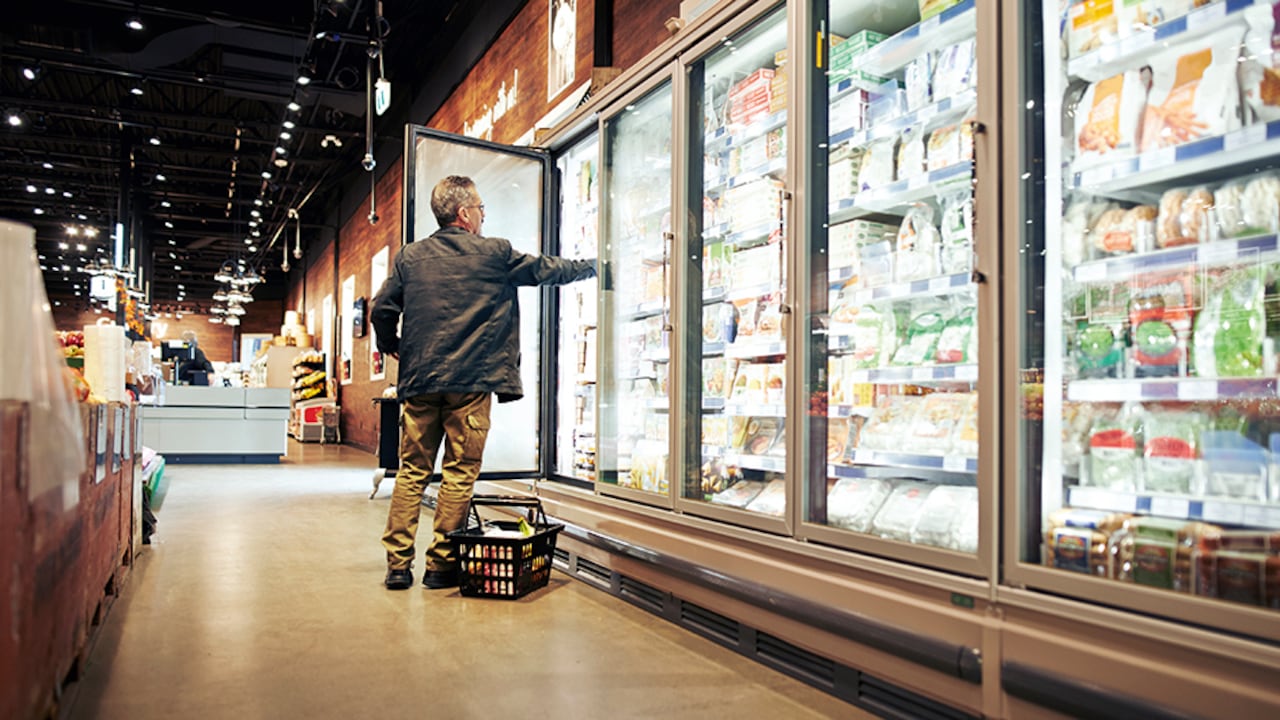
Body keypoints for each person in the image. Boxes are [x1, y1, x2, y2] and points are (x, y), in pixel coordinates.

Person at [371, 175, 596, 590]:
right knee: (459, 473)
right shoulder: (495, 253)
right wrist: (594, 268)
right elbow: (548, 270)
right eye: (480, 208)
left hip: (420, 382)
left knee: (411, 472)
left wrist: (394, 346)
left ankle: (398, 566)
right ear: (464, 214)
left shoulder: (410, 258)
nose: (483, 214)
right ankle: (440, 567)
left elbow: (381, 309)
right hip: (471, 384)